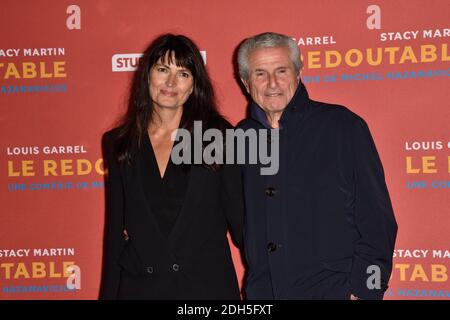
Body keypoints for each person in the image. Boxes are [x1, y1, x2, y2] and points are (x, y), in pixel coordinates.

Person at [236, 32, 398, 300]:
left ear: (298, 72)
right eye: (260, 73)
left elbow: (378, 223)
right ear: (245, 82)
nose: (272, 83)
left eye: (281, 70)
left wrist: (366, 292)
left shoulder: (343, 126)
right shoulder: (240, 138)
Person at [99, 34, 243, 299]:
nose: (171, 83)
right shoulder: (120, 142)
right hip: (141, 288)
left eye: (183, 73)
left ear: (193, 85)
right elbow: (115, 234)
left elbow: (242, 222)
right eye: (163, 70)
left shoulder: (219, 136)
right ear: (147, 77)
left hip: (205, 291)